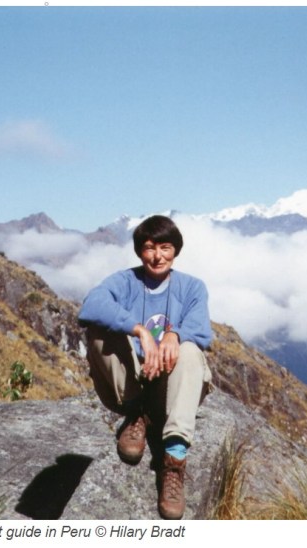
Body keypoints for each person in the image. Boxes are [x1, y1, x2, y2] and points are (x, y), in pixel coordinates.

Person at [78, 215, 212, 520]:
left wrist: (175, 336)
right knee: (99, 331)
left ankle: (174, 459)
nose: (157, 256)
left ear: (176, 250)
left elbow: (202, 329)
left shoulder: (191, 287)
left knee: (190, 351)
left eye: (165, 247)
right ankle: (136, 413)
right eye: (150, 248)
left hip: (170, 387)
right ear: (140, 251)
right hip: (132, 382)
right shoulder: (124, 282)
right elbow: (91, 305)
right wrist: (139, 331)